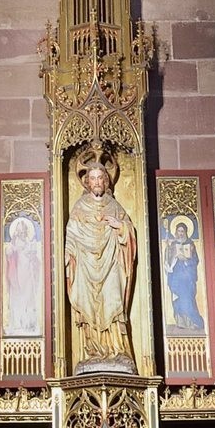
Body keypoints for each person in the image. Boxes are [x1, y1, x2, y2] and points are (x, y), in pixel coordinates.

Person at [63, 146, 137, 374]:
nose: (96, 182)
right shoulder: (78, 208)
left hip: (111, 266)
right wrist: (69, 255)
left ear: (107, 182)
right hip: (85, 267)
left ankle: (117, 351)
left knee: (113, 303)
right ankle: (93, 352)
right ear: (87, 183)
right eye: (92, 178)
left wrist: (121, 227)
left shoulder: (115, 206)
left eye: (100, 178)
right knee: (88, 307)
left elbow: (130, 235)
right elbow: (71, 235)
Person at [162, 212, 204, 333]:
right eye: (178, 231)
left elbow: (195, 260)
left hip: (187, 278)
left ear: (185, 232)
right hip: (176, 278)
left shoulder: (190, 244)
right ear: (176, 232)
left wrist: (186, 260)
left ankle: (195, 322)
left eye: (182, 231)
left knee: (188, 299)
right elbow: (167, 261)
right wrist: (170, 252)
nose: (180, 233)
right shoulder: (172, 244)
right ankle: (181, 323)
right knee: (177, 300)